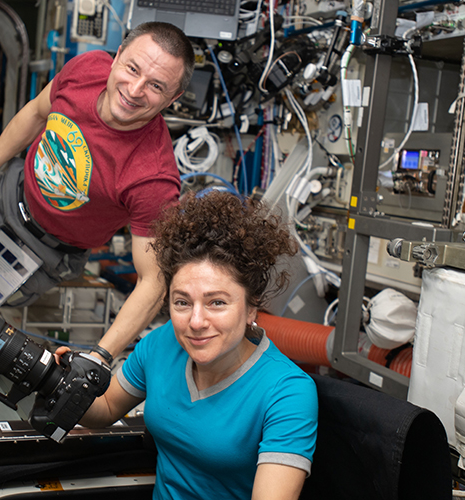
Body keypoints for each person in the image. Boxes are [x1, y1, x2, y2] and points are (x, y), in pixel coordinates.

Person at [0, 22, 195, 363]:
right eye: (132, 68)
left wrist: (100, 355)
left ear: (173, 98)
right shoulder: (87, 67)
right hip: (5, 193)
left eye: (156, 86)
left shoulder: (153, 176)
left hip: (38, 250)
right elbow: (35, 112)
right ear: (117, 55)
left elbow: (153, 281)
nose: (135, 90)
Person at [71, 191, 318, 500]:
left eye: (216, 302)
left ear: (251, 308)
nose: (196, 321)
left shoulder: (286, 391)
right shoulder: (162, 343)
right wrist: (57, 383)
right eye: (182, 302)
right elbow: (105, 409)